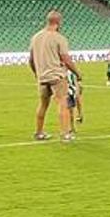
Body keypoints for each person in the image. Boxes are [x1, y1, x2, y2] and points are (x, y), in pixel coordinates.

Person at [29, 9, 82, 141]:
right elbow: (66, 59)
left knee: (43, 104)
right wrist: (77, 73)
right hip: (56, 76)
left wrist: (37, 74)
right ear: (58, 22)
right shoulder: (59, 38)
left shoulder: (35, 37)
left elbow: (31, 60)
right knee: (62, 103)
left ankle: (39, 132)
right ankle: (65, 134)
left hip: (42, 77)